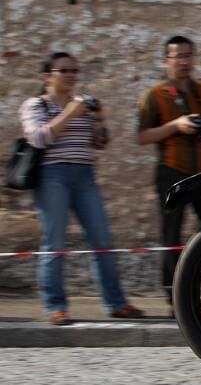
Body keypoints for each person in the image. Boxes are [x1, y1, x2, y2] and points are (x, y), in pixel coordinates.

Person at [19, 52, 145, 325]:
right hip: (52, 176)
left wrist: (99, 119)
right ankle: (55, 307)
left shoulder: (83, 105)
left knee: (101, 239)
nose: (71, 75)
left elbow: (101, 143)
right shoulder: (36, 104)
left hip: (84, 176)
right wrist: (70, 112)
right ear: (47, 76)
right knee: (54, 242)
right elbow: (38, 138)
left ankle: (116, 303)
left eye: (74, 70)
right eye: (64, 71)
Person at [136, 36, 201, 306]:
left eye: (188, 55)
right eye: (178, 56)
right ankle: (174, 298)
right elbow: (142, 136)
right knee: (170, 235)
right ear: (166, 60)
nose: (184, 61)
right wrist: (176, 125)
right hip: (171, 171)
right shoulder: (154, 95)